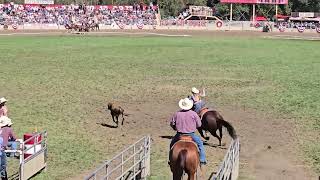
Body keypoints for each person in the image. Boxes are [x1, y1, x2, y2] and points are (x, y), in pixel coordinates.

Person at [169, 98, 207, 165]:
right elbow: (199, 124)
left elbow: (172, 124)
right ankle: (202, 159)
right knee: (200, 144)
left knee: (171, 144)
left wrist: (175, 128)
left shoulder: (177, 113)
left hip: (179, 135)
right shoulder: (194, 114)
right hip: (191, 135)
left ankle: (170, 159)